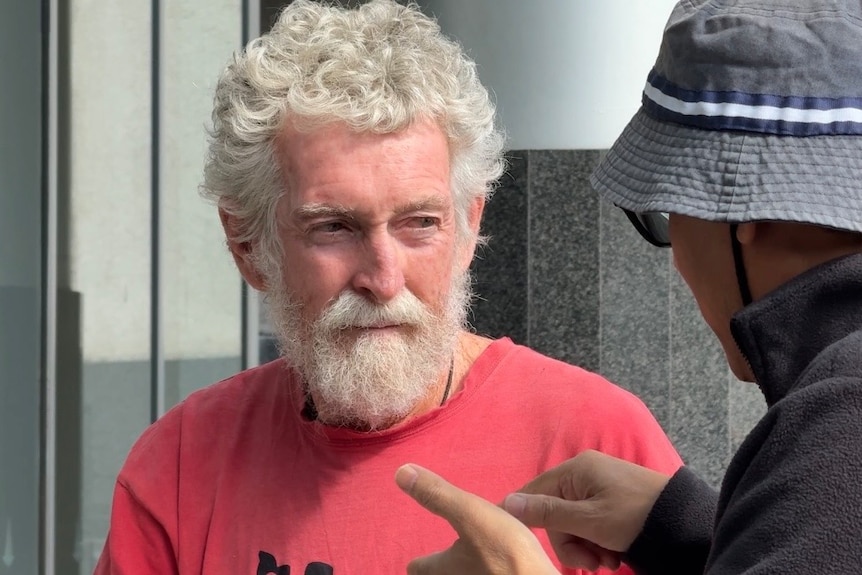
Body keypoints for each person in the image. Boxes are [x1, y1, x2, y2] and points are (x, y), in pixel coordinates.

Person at [93, 1, 682, 574]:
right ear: (248, 245)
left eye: (420, 223)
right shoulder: (180, 465)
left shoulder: (597, 442)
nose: (383, 278)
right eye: (333, 227)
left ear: (469, 229)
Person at [396, 0, 862, 573]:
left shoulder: (841, 420)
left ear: (742, 215)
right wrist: (690, 527)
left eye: (666, 214)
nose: (677, 264)